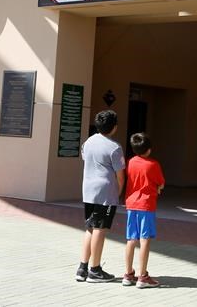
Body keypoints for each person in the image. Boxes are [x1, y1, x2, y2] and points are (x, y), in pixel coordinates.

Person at [75, 110, 126, 283]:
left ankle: (82, 267)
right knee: (100, 229)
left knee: (90, 227)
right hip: (105, 192)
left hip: (88, 190)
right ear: (114, 127)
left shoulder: (88, 142)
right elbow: (120, 175)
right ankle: (95, 270)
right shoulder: (115, 148)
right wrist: (118, 193)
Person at [122, 132, 165, 289]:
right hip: (146, 205)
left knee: (131, 239)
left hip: (131, 204)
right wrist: (158, 188)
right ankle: (143, 276)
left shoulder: (131, 162)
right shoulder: (153, 164)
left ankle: (128, 274)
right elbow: (160, 183)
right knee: (144, 239)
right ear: (149, 149)